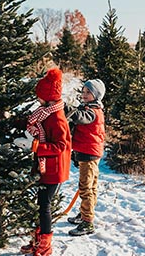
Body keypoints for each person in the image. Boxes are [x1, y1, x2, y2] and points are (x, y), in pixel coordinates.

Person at [17, 68, 71, 256]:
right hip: (45, 167)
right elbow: (29, 122)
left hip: (54, 170)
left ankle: (45, 246)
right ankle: (38, 240)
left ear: (47, 97)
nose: (37, 99)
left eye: (39, 96)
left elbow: (61, 146)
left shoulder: (57, 118)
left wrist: (35, 147)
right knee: (41, 205)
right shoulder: (45, 112)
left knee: (44, 206)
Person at [64, 78, 106, 236]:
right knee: (91, 187)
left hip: (89, 154)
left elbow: (81, 117)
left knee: (86, 188)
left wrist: (65, 108)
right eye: (83, 91)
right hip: (89, 152)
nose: (84, 94)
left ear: (96, 95)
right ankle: (85, 214)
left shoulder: (92, 112)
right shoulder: (90, 108)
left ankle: (87, 222)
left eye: (89, 92)